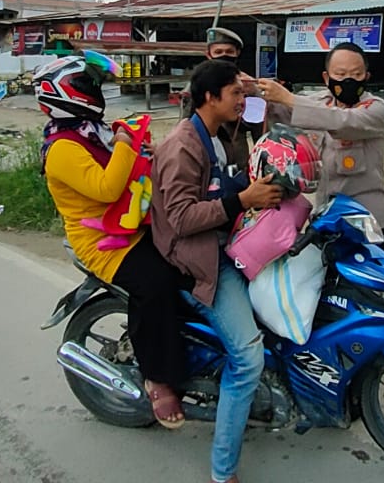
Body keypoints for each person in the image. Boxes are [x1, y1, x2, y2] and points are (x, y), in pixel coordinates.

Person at [37, 53, 189, 428]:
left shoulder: (91, 131)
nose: (94, 92)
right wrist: (125, 140)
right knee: (155, 283)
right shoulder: (62, 148)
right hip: (102, 242)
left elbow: (130, 169)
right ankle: (156, 376)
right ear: (61, 93)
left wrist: (145, 152)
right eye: (86, 86)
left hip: (130, 224)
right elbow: (106, 188)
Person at [151, 59, 283, 483]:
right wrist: (242, 201)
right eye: (236, 94)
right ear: (210, 97)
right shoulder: (182, 145)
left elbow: (237, 182)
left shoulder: (219, 136)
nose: (243, 101)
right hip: (199, 260)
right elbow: (182, 218)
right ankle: (222, 471)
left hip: (225, 244)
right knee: (247, 357)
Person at [255, 42, 384, 255]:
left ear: (366, 77)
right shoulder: (320, 103)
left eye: (356, 74)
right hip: (327, 218)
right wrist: (252, 90)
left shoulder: (376, 108)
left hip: (367, 219)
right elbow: (285, 112)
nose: (348, 80)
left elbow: (342, 121)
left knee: (367, 287)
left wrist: (288, 98)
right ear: (326, 78)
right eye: (340, 73)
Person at [179, 27, 260, 169]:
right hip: (205, 156)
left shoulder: (247, 85)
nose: (224, 56)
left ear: (237, 53)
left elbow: (260, 130)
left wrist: (254, 94)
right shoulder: (197, 84)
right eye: (218, 52)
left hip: (237, 158)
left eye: (229, 52)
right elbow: (184, 125)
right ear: (209, 55)